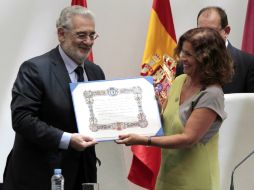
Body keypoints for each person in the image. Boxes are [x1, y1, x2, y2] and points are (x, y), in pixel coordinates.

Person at [116, 27, 234, 190]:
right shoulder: (180, 81)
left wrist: (143, 140)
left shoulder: (212, 94)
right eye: (182, 52)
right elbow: (166, 123)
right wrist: (148, 107)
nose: (182, 58)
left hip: (195, 181)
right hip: (168, 176)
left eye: (189, 54)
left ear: (206, 58)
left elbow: (188, 139)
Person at [3, 5, 105, 190]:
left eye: (92, 35)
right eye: (81, 35)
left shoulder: (95, 71)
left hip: (83, 175)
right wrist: (67, 139)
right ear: (61, 34)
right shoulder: (34, 69)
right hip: (40, 177)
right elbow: (22, 120)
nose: (88, 42)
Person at [176, 6, 254, 93]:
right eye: (200, 30)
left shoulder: (249, 64)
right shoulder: (184, 65)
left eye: (211, 31)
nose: (204, 37)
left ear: (226, 31)